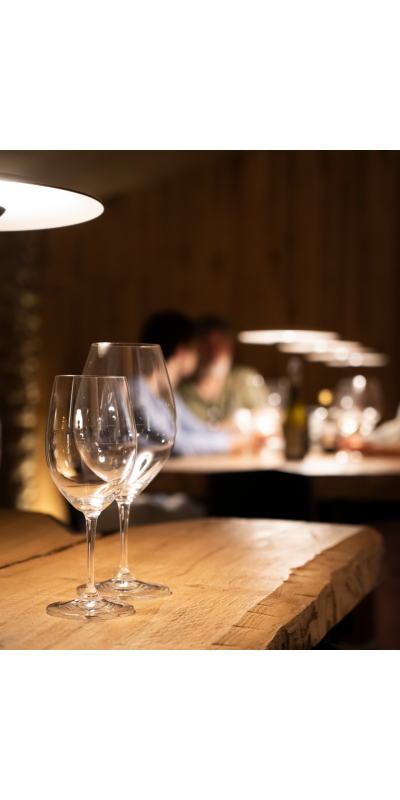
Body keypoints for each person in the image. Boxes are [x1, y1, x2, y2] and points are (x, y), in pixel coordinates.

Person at [140, 311, 265, 456]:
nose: (199, 355)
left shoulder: (164, 392)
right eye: (196, 348)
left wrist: (236, 430)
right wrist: (233, 443)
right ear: (181, 352)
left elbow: (195, 429)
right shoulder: (138, 395)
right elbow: (174, 445)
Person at [179, 314, 269, 429]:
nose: (214, 352)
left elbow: (269, 424)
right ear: (195, 346)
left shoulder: (245, 379)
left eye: (221, 343)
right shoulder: (179, 390)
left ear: (231, 346)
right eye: (206, 344)